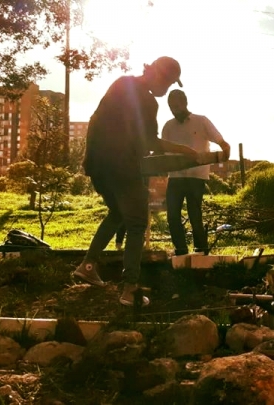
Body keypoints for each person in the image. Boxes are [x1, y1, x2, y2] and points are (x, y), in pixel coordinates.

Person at [73, 56, 200, 307]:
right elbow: (149, 143)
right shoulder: (147, 101)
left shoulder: (121, 84)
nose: (167, 90)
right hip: (122, 166)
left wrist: (91, 161)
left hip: (98, 166)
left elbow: (95, 121)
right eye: (169, 83)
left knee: (117, 214)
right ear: (159, 75)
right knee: (137, 222)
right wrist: (183, 150)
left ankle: (88, 265)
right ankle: (130, 289)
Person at [161, 89, 231, 256]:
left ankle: (201, 251)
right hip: (175, 177)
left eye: (177, 106)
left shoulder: (201, 121)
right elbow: (162, 150)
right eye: (171, 107)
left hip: (196, 177)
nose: (174, 110)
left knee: (195, 215)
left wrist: (225, 149)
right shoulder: (168, 126)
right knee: (172, 215)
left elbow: (220, 140)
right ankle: (181, 251)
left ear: (185, 103)